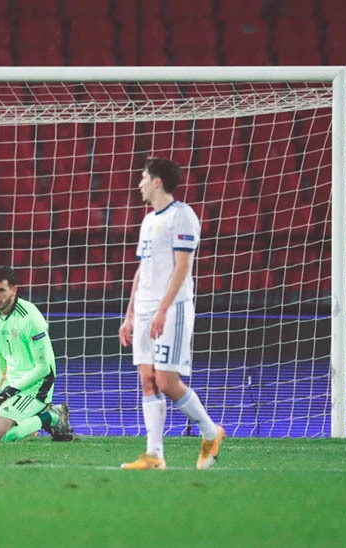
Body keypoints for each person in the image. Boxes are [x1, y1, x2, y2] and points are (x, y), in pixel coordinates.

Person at [119, 157, 225, 470]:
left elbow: (182, 266)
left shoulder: (183, 216)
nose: (139, 184)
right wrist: (129, 314)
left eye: (143, 177)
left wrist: (163, 310)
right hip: (144, 309)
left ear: (157, 181)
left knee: (166, 381)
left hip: (172, 308)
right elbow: (142, 269)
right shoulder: (148, 220)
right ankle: (154, 455)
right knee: (147, 380)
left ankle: (210, 432)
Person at [0, 265, 73, 442]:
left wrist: (11, 390)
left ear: (13, 290)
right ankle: (15, 419)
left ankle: (52, 416)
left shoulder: (30, 318)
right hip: (11, 384)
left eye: (0, 291)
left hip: (36, 386)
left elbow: (43, 368)